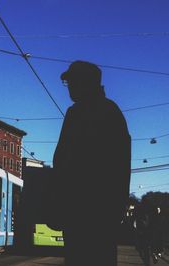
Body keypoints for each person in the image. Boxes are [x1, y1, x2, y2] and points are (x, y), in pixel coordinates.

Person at [53, 61, 131, 265]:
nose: (69, 87)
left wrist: (57, 203)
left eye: (72, 81)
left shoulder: (81, 113)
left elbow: (62, 161)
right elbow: (121, 166)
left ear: (85, 82)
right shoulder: (110, 111)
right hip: (100, 211)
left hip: (84, 209)